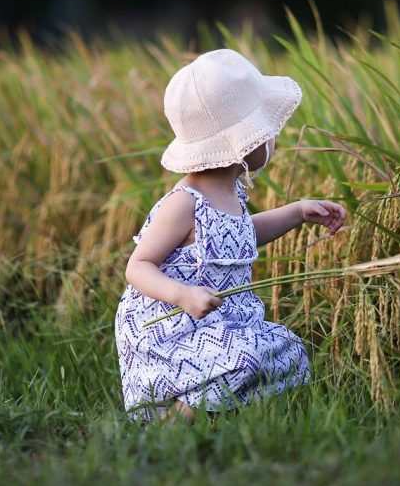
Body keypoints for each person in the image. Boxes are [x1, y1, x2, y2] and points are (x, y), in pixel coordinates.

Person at [114, 49, 347, 423]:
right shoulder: (184, 203)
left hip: (221, 323)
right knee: (247, 359)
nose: (272, 138)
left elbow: (242, 235)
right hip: (174, 326)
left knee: (288, 350)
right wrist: (183, 295)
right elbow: (138, 266)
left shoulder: (231, 194)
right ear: (242, 144)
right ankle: (173, 425)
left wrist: (298, 212)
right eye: (265, 131)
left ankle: (223, 417)